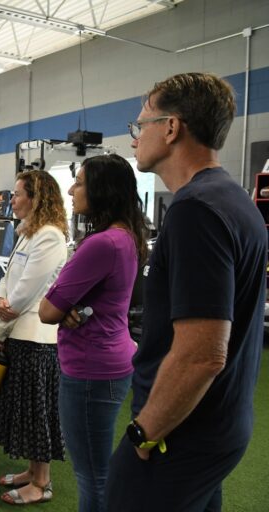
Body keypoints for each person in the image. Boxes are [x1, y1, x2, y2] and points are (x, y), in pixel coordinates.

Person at [105, 73, 266, 511]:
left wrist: (144, 433)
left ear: (172, 128)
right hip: (215, 427)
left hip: (180, 433)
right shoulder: (234, 200)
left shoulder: (195, 210)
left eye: (141, 126)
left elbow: (202, 354)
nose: (135, 140)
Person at [39, 153, 148, 512]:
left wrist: (63, 306)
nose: (71, 190)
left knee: (92, 477)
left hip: (91, 369)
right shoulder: (126, 236)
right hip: (111, 361)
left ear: (102, 190)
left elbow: (47, 310)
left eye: (80, 182)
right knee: (97, 472)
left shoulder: (102, 244)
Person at [0, 171, 68, 506]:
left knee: (38, 413)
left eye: (18, 194)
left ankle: (43, 483)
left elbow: (26, 293)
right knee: (25, 411)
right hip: (18, 334)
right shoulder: (26, 233)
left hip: (38, 338)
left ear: (36, 198)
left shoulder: (50, 236)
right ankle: (32, 472)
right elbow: (7, 280)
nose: (13, 200)